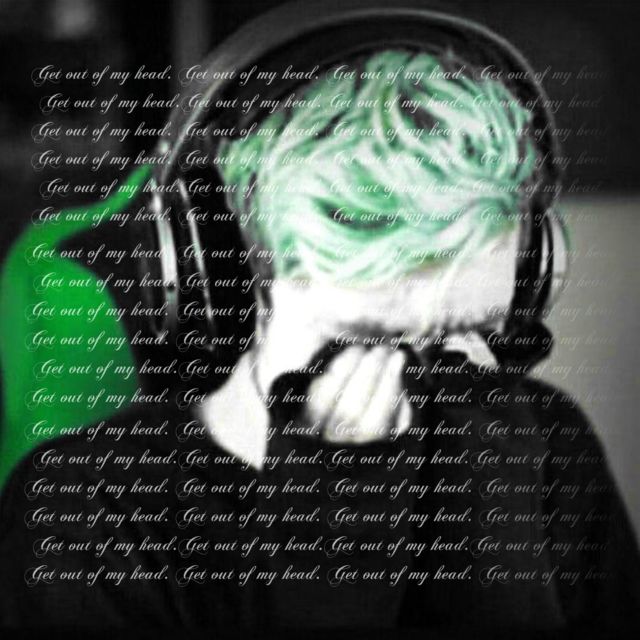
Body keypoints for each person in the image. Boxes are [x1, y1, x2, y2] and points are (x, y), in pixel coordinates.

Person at [1, 3, 639, 633]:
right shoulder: (81, 517)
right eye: (370, 341)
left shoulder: (548, 450)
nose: (426, 384)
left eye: (471, 331)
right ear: (232, 285)